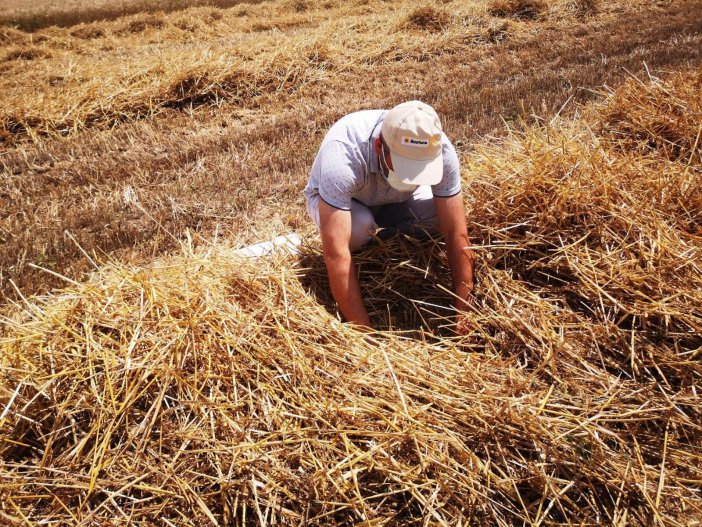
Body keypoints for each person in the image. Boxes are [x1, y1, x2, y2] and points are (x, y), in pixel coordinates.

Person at [303, 100, 475, 329]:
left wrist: (465, 308)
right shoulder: (344, 154)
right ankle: (369, 241)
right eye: (404, 168)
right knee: (358, 230)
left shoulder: (440, 150)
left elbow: (455, 231)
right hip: (348, 206)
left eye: (419, 169)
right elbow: (336, 256)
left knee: (439, 217)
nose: (409, 177)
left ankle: (383, 241)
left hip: (397, 201)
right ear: (378, 147)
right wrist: (364, 334)